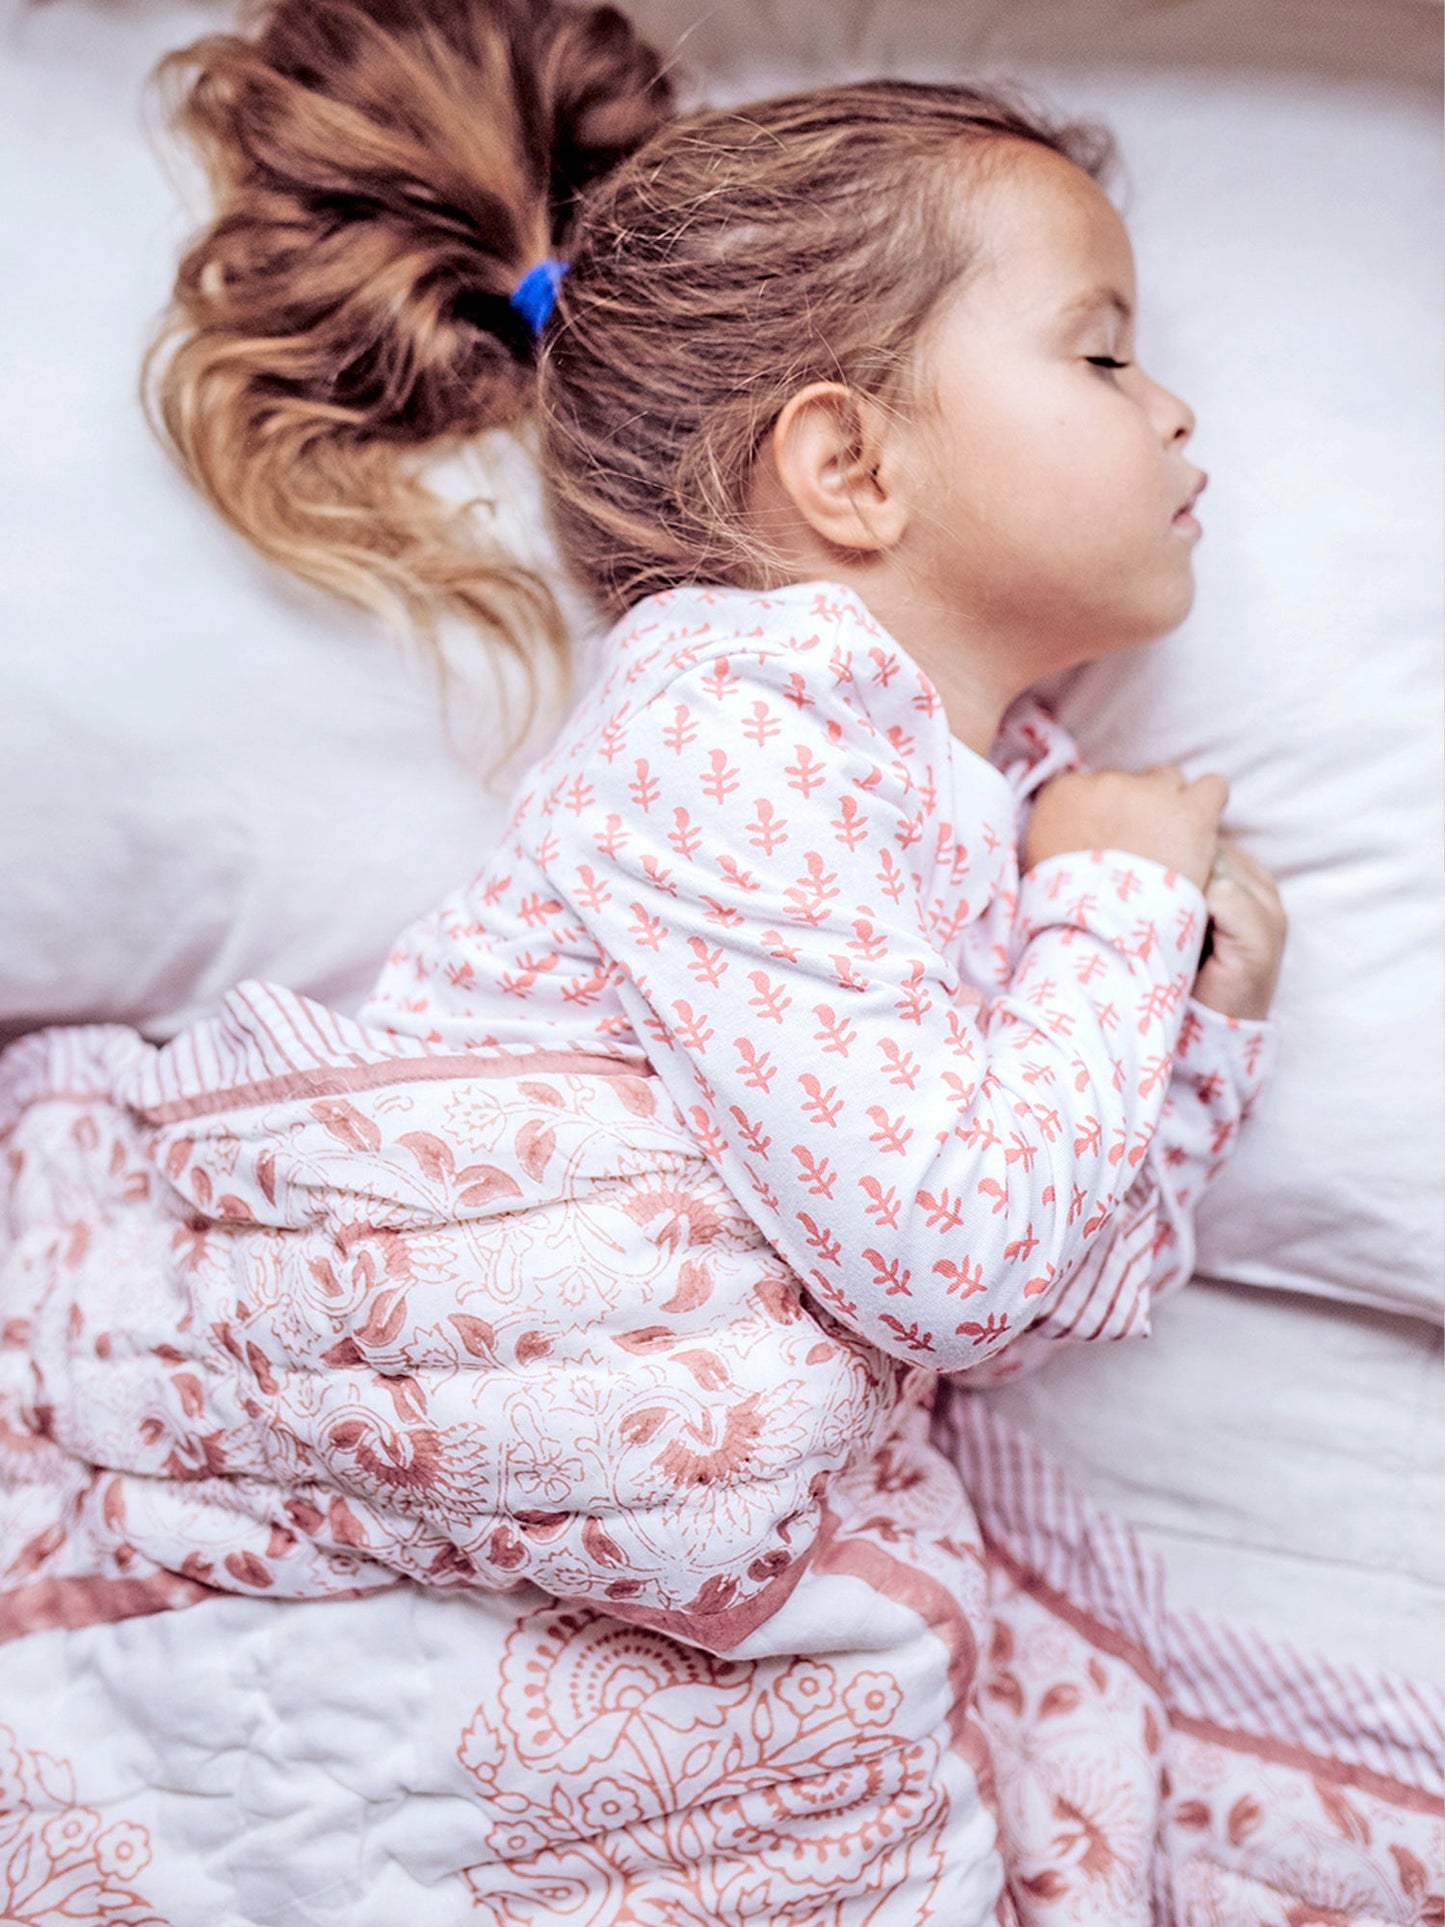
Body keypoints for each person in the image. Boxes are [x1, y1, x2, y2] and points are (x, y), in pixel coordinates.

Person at [2, 0, 1286, 1917]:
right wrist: (1107, 908)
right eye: (1101, 351)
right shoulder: (732, 714)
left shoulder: (1001, 788)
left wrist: (1188, 1024)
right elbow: (958, 1259)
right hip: (472, 1443)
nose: (1172, 408)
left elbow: (1026, 1302)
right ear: (848, 466)